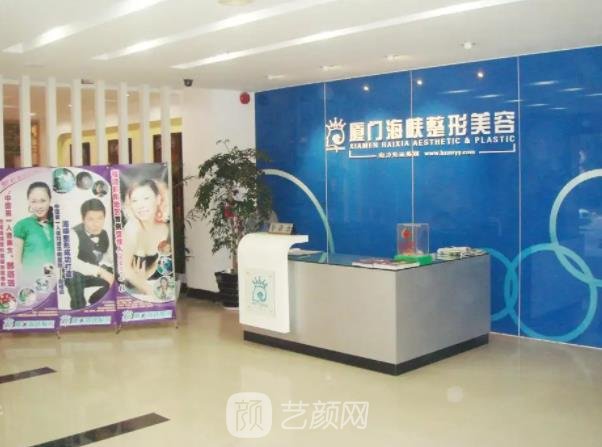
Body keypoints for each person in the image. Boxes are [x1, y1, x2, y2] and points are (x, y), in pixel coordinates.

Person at [123, 179, 170, 296]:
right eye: (135, 201)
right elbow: (125, 269)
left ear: (158, 199)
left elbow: (159, 262)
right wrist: (152, 292)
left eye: (146, 198)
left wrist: (146, 277)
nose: (140, 205)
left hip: (150, 285)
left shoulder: (165, 228)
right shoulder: (132, 228)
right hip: (126, 293)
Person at [65, 199, 114, 309]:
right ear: (83, 219)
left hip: (95, 274)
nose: (96, 224)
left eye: (100, 218)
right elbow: (71, 263)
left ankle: (96, 300)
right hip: (78, 275)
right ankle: (79, 310)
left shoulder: (104, 233)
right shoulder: (73, 233)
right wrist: (101, 272)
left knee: (120, 274)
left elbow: (109, 257)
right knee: (73, 275)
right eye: (91, 219)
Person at [14, 182, 55, 277]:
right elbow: (17, 262)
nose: (39, 206)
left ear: (50, 200)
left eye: (43, 201)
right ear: (28, 201)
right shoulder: (22, 225)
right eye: (34, 201)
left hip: (54, 280)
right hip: (30, 280)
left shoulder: (56, 224)